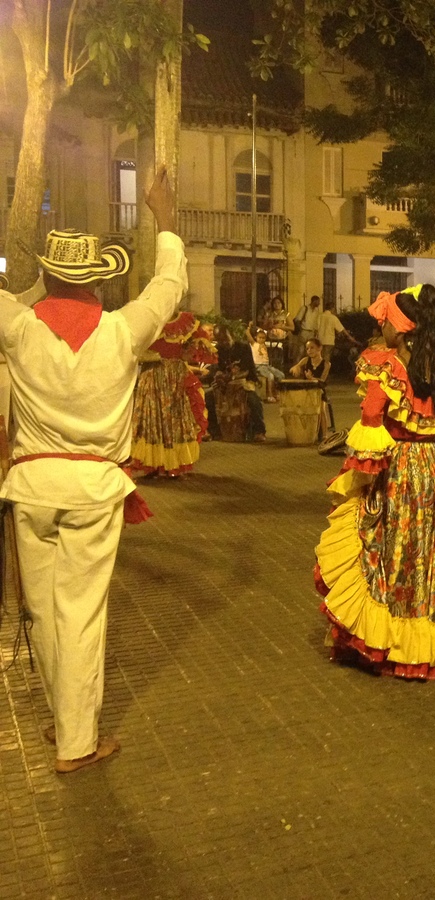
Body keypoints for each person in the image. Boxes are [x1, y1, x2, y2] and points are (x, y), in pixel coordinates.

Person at [0, 167, 186, 773]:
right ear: (98, 284)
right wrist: (166, 221)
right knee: (78, 614)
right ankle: (77, 740)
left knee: (43, 613)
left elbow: (14, 299)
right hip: (93, 489)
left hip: (31, 487)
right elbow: (169, 286)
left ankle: (67, 724)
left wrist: (36, 286)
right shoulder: (121, 330)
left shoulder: (20, 327)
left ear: (49, 277)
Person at [314, 284, 435, 681]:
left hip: (399, 468)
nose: (380, 326)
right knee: (433, 554)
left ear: (401, 329)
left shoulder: (385, 367)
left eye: (385, 320)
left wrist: (355, 476)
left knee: (392, 556)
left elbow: (370, 420)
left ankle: (389, 642)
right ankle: (432, 644)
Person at [130, 311, 216, 475]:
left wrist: (185, 352)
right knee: (151, 418)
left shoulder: (185, 322)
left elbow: (194, 350)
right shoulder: (147, 320)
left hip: (173, 377)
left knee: (173, 418)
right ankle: (153, 463)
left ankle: (172, 463)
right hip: (153, 375)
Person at [206, 325, 267, 442]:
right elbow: (216, 369)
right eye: (220, 340)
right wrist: (218, 375)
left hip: (243, 382)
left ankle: (259, 431)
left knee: (253, 400)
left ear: (231, 335)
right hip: (225, 383)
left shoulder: (243, 347)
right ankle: (215, 431)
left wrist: (232, 376)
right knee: (208, 397)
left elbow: (247, 370)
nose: (224, 342)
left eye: (225, 339)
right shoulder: (218, 349)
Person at [290, 337, 334, 436]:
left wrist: (312, 378)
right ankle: (304, 432)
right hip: (306, 390)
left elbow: (323, 380)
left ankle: (325, 435)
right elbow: (294, 368)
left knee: (321, 410)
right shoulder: (305, 360)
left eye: (312, 348)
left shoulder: (326, 364)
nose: (309, 350)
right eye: (307, 348)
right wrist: (296, 368)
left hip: (319, 390)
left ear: (319, 348)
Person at [317, 299, 361, 363]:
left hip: (320, 340)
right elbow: (342, 329)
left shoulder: (320, 316)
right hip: (329, 340)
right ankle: (325, 372)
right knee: (327, 357)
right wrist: (351, 338)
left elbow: (316, 328)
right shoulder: (333, 318)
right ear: (332, 308)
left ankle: (319, 371)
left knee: (320, 356)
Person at [251, 328, 286, 402]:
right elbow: (248, 336)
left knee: (281, 375)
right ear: (256, 338)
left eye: (263, 338)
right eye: (259, 338)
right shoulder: (254, 344)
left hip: (267, 366)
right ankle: (270, 395)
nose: (261, 339)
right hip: (259, 366)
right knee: (270, 376)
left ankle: (277, 392)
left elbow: (277, 344)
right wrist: (249, 328)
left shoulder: (265, 344)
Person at [293, 294, 322, 360]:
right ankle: (297, 366)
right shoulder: (305, 308)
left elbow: (316, 322)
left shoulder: (316, 311)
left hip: (311, 332)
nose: (319, 303)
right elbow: (297, 320)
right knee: (300, 351)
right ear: (314, 301)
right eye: (318, 301)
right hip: (304, 331)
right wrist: (300, 329)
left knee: (309, 351)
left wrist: (316, 331)